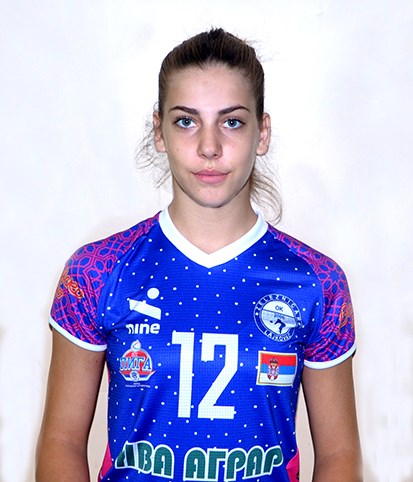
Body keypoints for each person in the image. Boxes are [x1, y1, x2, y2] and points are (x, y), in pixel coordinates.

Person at [36, 28, 362, 482]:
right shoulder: (98, 271)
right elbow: (62, 442)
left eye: (232, 122)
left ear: (262, 133)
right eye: (186, 121)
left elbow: (340, 455)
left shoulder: (316, 281)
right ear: (159, 132)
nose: (209, 147)